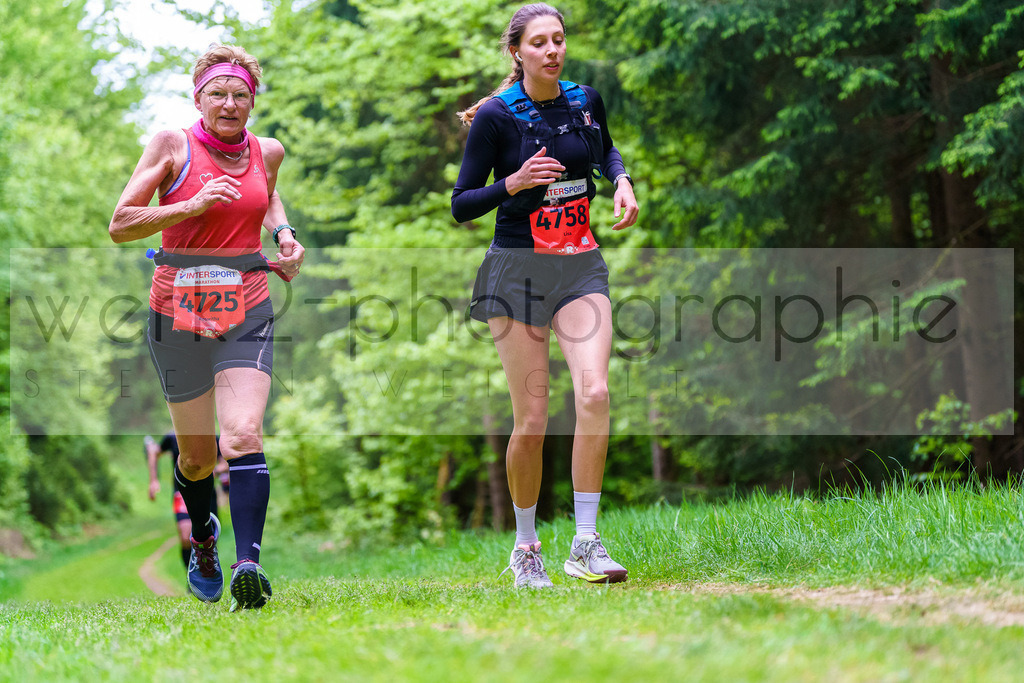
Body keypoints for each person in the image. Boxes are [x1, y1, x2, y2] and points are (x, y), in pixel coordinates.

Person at [110, 44, 304, 611]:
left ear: (253, 101)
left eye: (241, 94)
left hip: (247, 305)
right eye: (218, 93)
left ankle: (250, 563)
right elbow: (122, 223)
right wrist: (189, 205)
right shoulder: (174, 145)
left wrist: (285, 235)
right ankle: (204, 541)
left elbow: (267, 197)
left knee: (242, 435)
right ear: (198, 97)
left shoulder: (267, 152)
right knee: (196, 459)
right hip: (177, 314)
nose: (230, 103)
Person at [452, 4, 639, 587]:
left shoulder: (585, 99)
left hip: (581, 266)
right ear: (518, 52)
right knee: (532, 418)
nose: (553, 50)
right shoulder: (495, 117)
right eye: (539, 42)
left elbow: (605, 148)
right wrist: (511, 183)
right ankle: (526, 546)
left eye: (559, 39)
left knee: (597, 392)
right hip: (517, 272)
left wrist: (623, 180)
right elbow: (461, 204)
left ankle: (586, 542)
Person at [144, 432, 229, 569]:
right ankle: (191, 578)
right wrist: (153, 480)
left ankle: (206, 573)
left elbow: (225, 463)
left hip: (207, 492)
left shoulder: (212, 437)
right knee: (185, 536)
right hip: (181, 492)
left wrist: (215, 470)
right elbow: (154, 451)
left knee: (209, 538)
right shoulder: (172, 437)